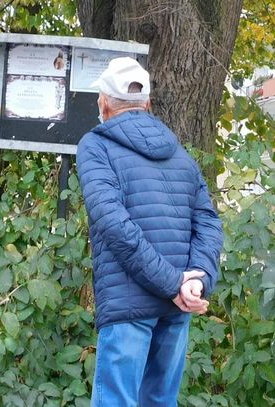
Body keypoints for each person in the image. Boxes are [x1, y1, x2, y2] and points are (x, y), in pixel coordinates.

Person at [76, 57, 223, 407]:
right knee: (159, 401)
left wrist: (176, 284)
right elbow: (208, 221)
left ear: (104, 103)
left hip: (129, 305)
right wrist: (196, 279)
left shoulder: (95, 146)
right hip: (177, 305)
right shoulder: (180, 155)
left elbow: (114, 224)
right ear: (147, 104)